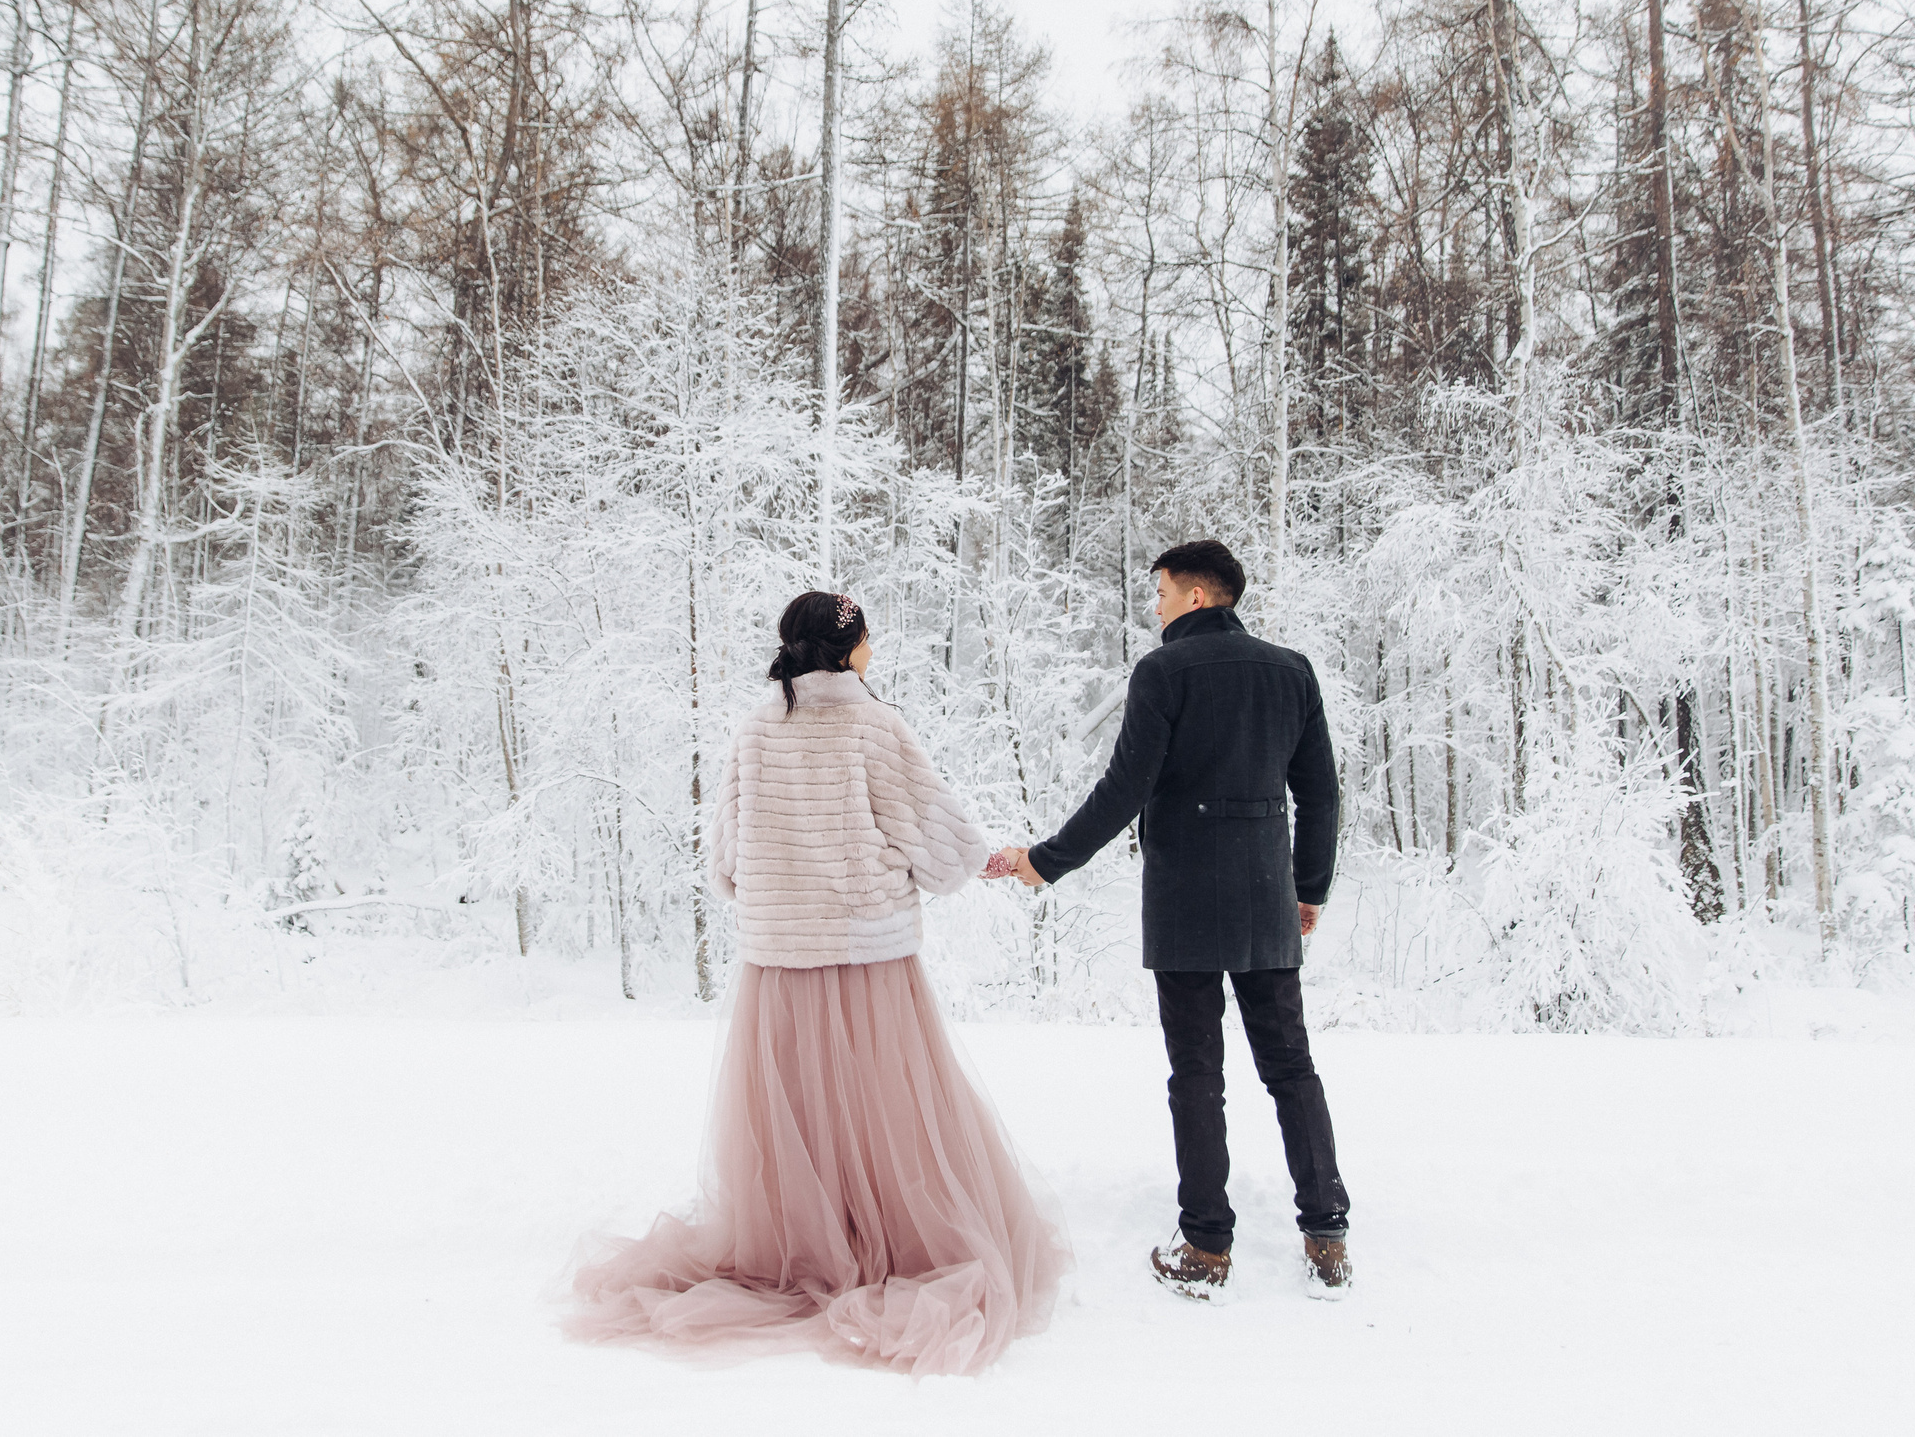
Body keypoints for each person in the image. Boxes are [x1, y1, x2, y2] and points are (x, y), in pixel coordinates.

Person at [567, 591, 1069, 1376]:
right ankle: (887, 1245)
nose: (875, 642)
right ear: (848, 647)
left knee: (802, 1120)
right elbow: (938, 848)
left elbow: (727, 866)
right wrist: (990, 859)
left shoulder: (756, 726)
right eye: (868, 632)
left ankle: (810, 1243)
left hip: (780, 966)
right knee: (885, 1116)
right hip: (866, 959)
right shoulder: (874, 723)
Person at [987, 538, 1352, 1300]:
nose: (1153, 605)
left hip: (1187, 896)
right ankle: (1327, 1234)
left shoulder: (1163, 672)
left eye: (1159, 591)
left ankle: (1207, 1244)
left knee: (1198, 1072)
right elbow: (1320, 793)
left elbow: (1125, 788)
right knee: (1291, 1065)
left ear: (1194, 595)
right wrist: (1307, 887)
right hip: (1265, 897)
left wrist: (1046, 860)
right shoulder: (1292, 671)